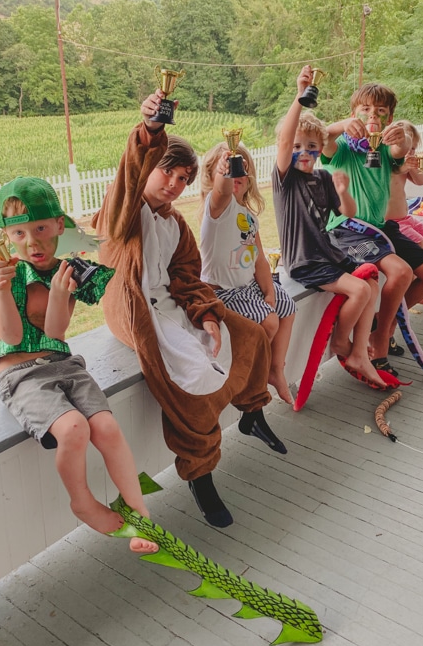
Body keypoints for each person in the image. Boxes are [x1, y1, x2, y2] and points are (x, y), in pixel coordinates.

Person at [92, 91, 287, 530]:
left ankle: (252, 413)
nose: (174, 184)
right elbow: (129, 177)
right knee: (193, 382)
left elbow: (188, 277)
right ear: (148, 167)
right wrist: (151, 131)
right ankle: (201, 475)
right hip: (139, 314)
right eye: (167, 171)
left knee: (251, 335)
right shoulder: (122, 214)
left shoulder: (174, 222)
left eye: (183, 178)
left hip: (173, 305)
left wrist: (209, 316)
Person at [0, 176, 157, 554]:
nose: (32, 242)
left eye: (41, 229)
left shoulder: (68, 271)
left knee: (107, 427)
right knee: (75, 428)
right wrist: (2, 291)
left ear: (59, 225)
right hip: (21, 375)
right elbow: (11, 337)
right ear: (6, 235)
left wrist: (60, 293)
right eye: (19, 233)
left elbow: (55, 332)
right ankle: (82, 501)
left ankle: (140, 513)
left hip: (64, 363)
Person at [272, 66, 387, 389]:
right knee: (360, 290)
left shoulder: (323, 177)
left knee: (372, 280)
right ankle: (339, 342)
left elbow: (348, 212)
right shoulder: (286, 181)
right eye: (297, 146)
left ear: (320, 148)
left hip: (328, 253)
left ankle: (359, 352)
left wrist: (343, 191)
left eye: (311, 145)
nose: (303, 152)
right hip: (305, 260)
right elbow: (286, 138)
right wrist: (301, 95)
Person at [322, 80, 423, 374]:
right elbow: (323, 137)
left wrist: (403, 136)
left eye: (380, 111)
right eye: (365, 109)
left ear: (389, 117)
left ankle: (382, 321)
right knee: (401, 272)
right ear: (353, 113)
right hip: (347, 231)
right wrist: (342, 125)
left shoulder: (385, 149)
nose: (372, 116)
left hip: (383, 229)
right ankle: (380, 341)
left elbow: (401, 149)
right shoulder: (342, 149)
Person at [199, 140, 296, 405]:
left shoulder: (248, 216)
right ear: (213, 176)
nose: (234, 173)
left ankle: (275, 368)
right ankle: (254, 374)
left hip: (247, 286)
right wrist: (225, 172)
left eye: (239, 167)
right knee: (269, 321)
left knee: (287, 307)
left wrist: (269, 292)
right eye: (226, 167)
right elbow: (222, 190)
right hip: (223, 292)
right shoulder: (217, 208)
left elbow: (260, 260)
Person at [385, 122, 423, 252]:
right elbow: (393, 172)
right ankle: (416, 264)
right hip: (391, 222)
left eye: (413, 148)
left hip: (405, 218)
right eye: (406, 147)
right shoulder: (388, 164)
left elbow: (421, 181)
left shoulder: (407, 166)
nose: (410, 152)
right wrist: (404, 166)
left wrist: (412, 167)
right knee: (418, 242)